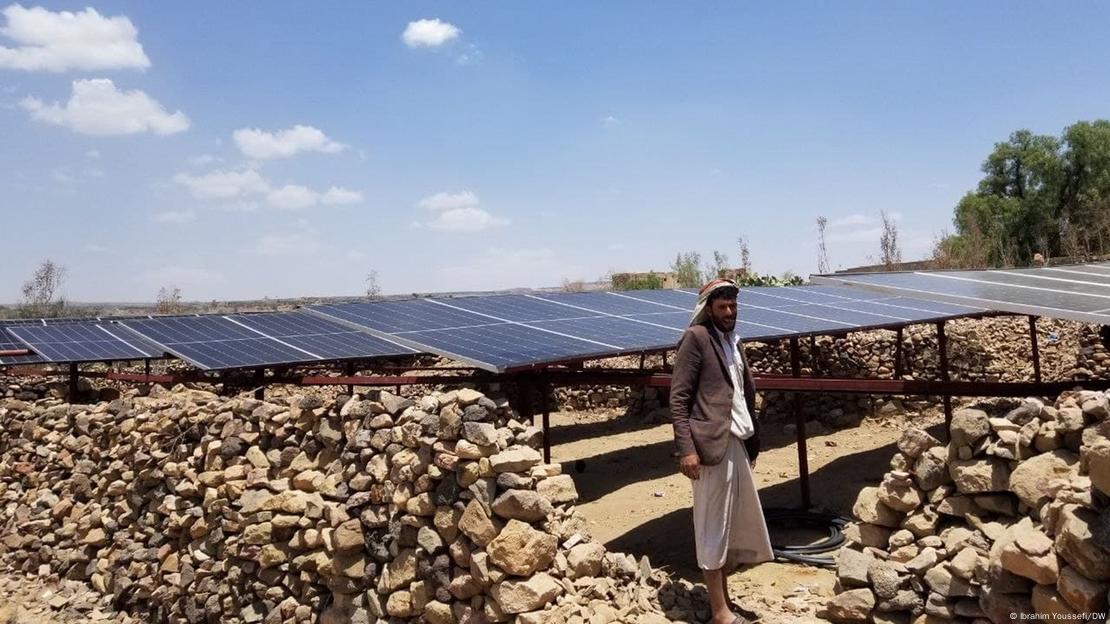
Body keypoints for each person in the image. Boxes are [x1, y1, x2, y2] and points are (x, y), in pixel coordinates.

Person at [670, 278, 774, 624]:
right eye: (722, 307)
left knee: (730, 526)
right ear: (708, 310)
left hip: (736, 443)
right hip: (710, 446)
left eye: (733, 306)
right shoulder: (696, 339)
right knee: (712, 526)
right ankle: (719, 613)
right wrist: (686, 450)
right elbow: (679, 398)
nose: (729, 312)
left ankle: (724, 602)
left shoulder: (733, 341)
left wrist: (752, 442)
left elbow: (743, 395)